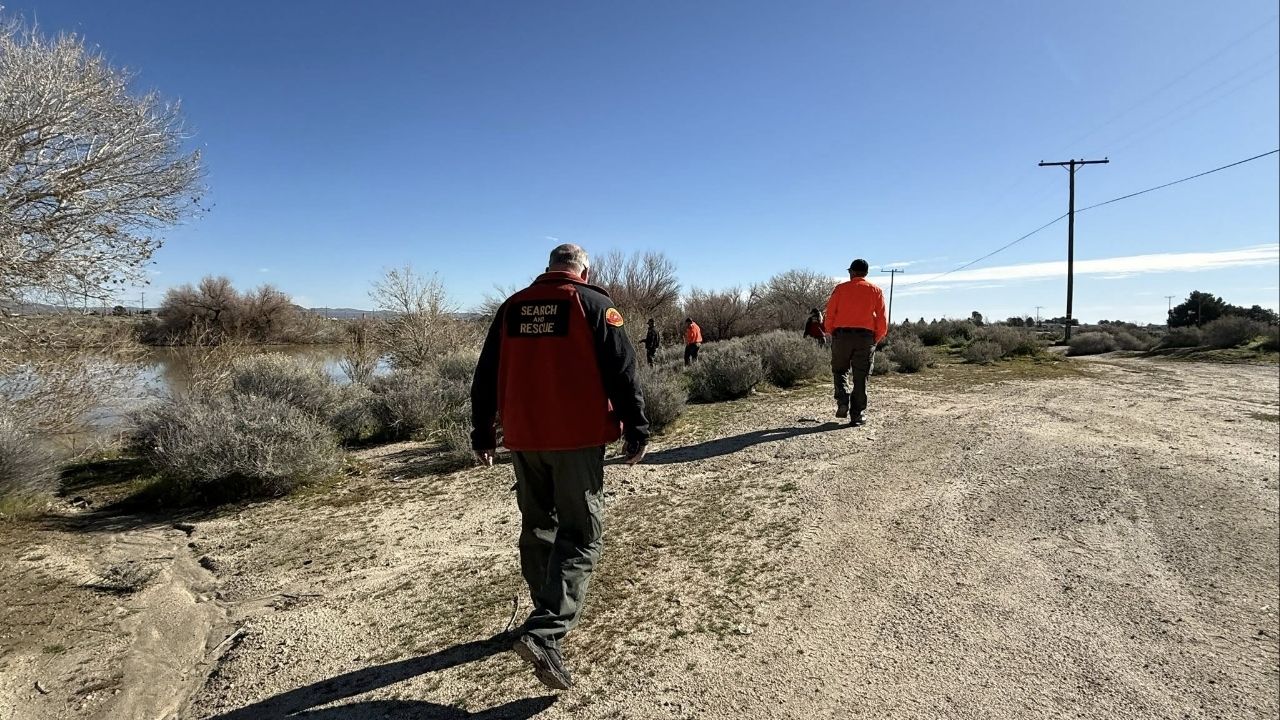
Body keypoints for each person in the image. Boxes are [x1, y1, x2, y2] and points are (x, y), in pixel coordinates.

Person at [471, 243, 649, 690]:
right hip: (577, 439)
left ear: (549, 267)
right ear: (583, 270)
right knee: (583, 535)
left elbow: (485, 373)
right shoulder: (594, 304)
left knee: (538, 527)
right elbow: (623, 371)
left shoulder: (512, 307)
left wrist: (481, 432)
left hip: (525, 439)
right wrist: (637, 426)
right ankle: (546, 630)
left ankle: (544, 615)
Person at [823, 258, 887, 426]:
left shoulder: (840, 289)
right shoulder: (876, 290)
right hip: (865, 337)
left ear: (851, 272)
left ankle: (843, 401)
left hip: (842, 336)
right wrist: (876, 338)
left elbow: (830, 313)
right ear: (866, 273)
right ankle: (857, 415)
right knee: (861, 376)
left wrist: (830, 331)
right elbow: (881, 318)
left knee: (840, 370)